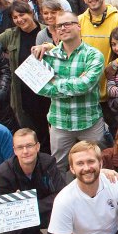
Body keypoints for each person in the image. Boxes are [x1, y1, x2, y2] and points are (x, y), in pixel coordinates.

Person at [35, 11, 106, 171]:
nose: (62, 28)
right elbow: (40, 88)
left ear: (78, 26)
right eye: (59, 26)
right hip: (59, 123)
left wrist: (54, 82)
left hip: (89, 122)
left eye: (67, 24)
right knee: (59, 168)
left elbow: (85, 85)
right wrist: (75, 82)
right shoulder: (47, 56)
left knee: (96, 164)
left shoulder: (93, 55)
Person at [0, 128, 67, 234]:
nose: (25, 151)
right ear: (14, 150)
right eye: (20, 147)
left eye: (29, 145)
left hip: (45, 214)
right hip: (19, 225)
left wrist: (27, 205)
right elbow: (2, 215)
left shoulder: (48, 162)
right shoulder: (3, 172)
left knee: (64, 210)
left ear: (37, 146)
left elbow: (61, 195)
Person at [0, 2, 50, 147]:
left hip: (47, 92)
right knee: (34, 133)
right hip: (24, 94)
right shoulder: (10, 35)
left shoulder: (46, 32)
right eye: (15, 17)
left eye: (22, 15)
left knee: (51, 132)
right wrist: (5, 58)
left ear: (31, 13)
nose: (19, 20)